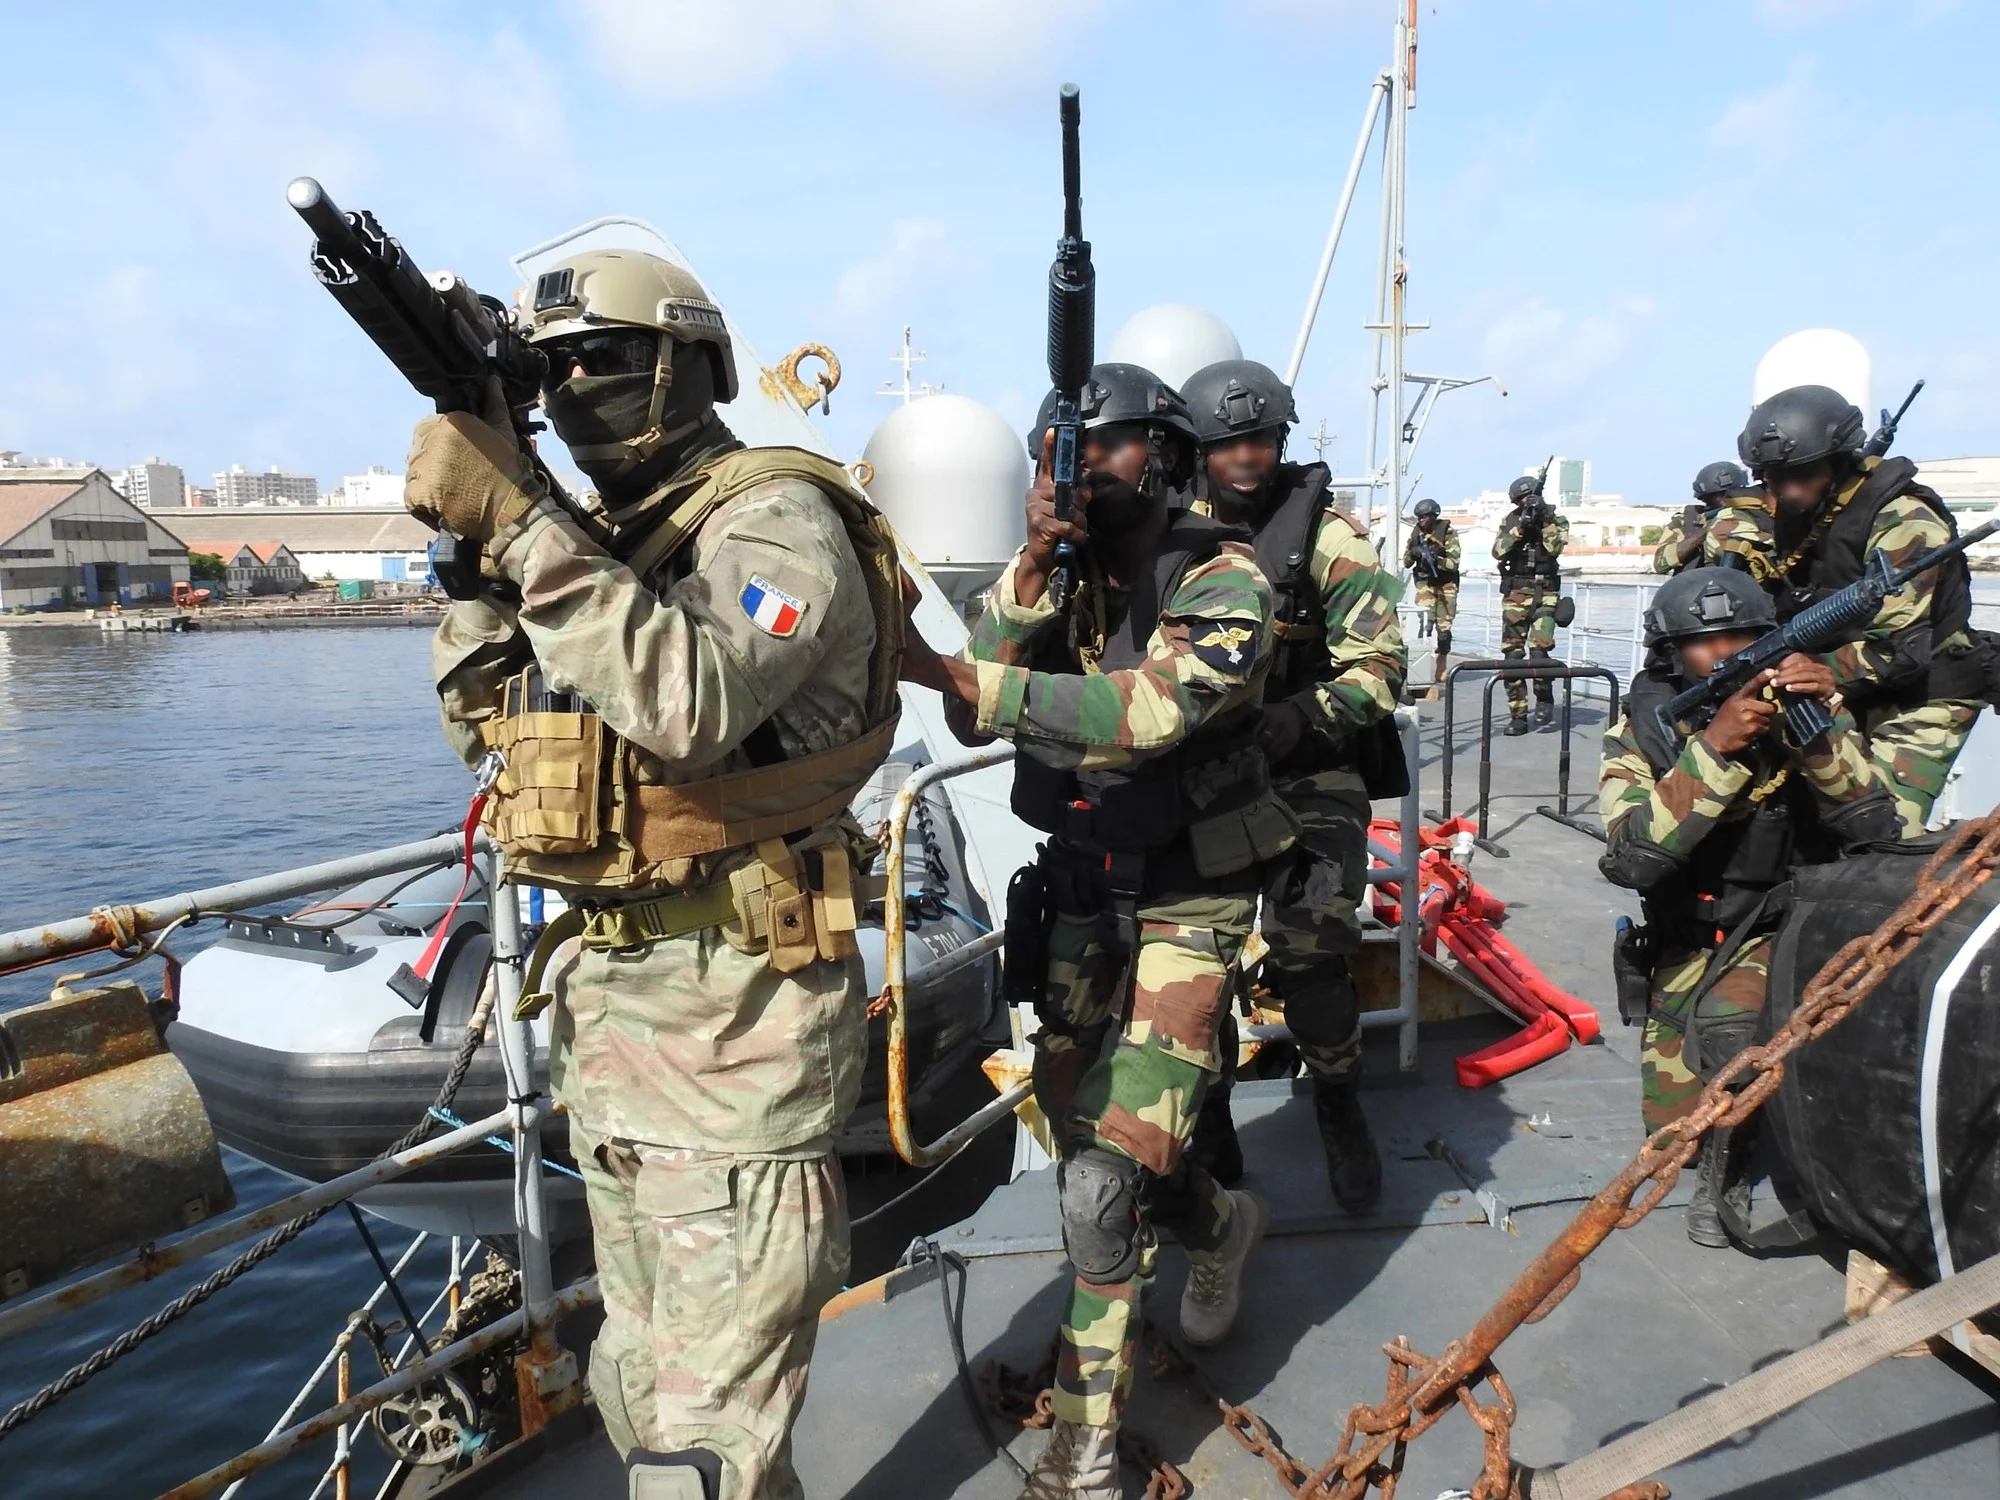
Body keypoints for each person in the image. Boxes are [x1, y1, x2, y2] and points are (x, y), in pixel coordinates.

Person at [405, 250, 904, 1500]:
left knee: (697, 1455)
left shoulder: (775, 521)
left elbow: (691, 699)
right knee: (637, 1392)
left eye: (603, 360)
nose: (575, 387)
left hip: (739, 1024)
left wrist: (521, 527)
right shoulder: (609, 543)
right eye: (553, 367)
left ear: (690, 367)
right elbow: (499, 741)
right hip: (615, 1023)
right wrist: (479, 573)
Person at [902, 362, 1281, 1500]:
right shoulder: (1055, 579)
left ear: (1161, 455)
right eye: (1057, 456)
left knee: (1098, 1190)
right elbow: (972, 693)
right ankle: (1217, 1227)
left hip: (1185, 905)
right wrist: (1026, 565)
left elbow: (1147, 714)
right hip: (1075, 894)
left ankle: (1080, 1458)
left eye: (1102, 448)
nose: (1075, 472)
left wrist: (973, 675)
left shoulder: (1224, 581)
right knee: (1087, 1150)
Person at [1599, 567, 1899, 1247]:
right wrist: (1715, 751)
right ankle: (1715, 1147)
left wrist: (1819, 732)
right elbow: (1630, 860)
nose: (1729, 654)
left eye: (1745, 637)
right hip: (1687, 930)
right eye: (1708, 643)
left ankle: (1726, 1178)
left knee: (1733, 1041)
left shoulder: (1809, 709)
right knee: (1669, 1125)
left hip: (1777, 925)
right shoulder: (1643, 732)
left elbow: (1875, 829)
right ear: (1673, 657)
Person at [1176, 357, 1404, 1210]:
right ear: (1201, 450)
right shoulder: (1171, 533)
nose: (1247, 457)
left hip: (1308, 771)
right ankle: (1212, 1114)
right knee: (1195, 958)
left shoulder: (1329, 540)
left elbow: (1382, 663)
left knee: (1311, 945)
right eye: (1230, 442)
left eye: (1262, 439)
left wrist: (1304, 713)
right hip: (1202, 779)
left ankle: (1338, 1099)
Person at [1735, 384, 1988, 834]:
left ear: (1837, 462)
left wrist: (1816, 668)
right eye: (1773, 478)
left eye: (1801, 474)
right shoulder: (1811, 509)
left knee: (1883, 830)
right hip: (1846, 684)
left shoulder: (1905, 519)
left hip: (1924, 693)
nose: (1787, 492)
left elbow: (1905, 649)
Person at [1492, 472, 1570, 734]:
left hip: (1545, 592)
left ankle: (1545, 698)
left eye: (1531, 497)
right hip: (1516, 593)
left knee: (1539, 652)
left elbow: (1555, 547)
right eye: (1523, 499)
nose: (1528, 502)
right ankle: (1518, 714)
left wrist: (1544, 520)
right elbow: (1498, 550)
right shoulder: (1511, 521)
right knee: (1512, 657)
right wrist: (1521, 528)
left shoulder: (1555, 519)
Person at [1654, 461, 1750, 576]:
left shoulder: (1751, 518)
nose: (1727, 500)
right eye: (1721, 496)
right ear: (1705, 498)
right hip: (1695, 589)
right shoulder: (1686, 521)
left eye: (1731, 495)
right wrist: (1707, 529)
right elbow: (1660, 564)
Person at [1402, 497, 1462, 677]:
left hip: (1446, 583)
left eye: (1425, 516)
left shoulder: (1448, 533)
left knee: (1444, 629)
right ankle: (1420, 665)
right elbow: (1405, 562)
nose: (1421, 520)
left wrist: (1438, 559)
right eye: (1419, 517)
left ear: (1433, 516)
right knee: (1424, 620)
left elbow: (1454, 563)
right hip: (1425, 582)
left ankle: (1441, 660)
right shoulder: (1415, 535)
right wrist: (1414, 553)